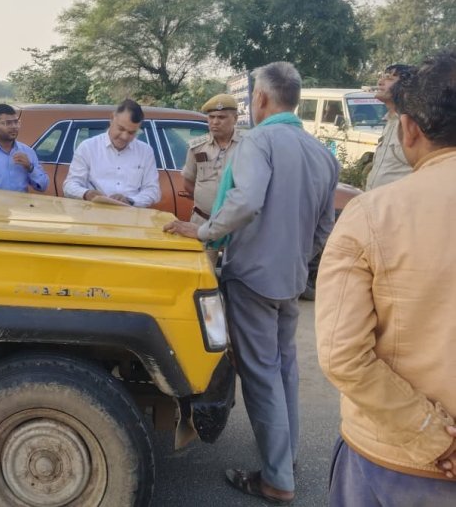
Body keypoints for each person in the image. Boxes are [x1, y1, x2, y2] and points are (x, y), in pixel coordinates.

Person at [165, 62, 338, 505]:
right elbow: (324, 226)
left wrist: (204, 232)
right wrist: (297, 260)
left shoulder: (257, 142)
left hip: (253, 278)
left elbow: (245, 201)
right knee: (284, 372)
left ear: (260, 99)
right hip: (290, 279)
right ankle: (286, 458)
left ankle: (278, 479)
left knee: (261, 376)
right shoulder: (320, 152)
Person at [316, 50, 456, 506]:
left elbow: (342, 356)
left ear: (409, 128)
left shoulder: (372, 214)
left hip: (394, 465)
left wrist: (435, 438)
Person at [63, 99, 160, 207]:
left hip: (130, 216)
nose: (124, 137)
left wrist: (130, 200)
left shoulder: (145, 152)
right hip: (92, 214)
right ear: (112, 118)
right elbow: (69, 185)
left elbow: (153, 191)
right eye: (121, 129)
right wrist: (86, 193)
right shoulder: (88, 147)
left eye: (131, 133)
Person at [182, 93, 242, 267]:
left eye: (222, 117)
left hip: (236, 223)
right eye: (211, 117)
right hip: (203, 220)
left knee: (237, 271)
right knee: (202, 269)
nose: (215, 122)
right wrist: (207, 200)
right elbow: (188, 181)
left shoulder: (248, 145)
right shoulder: (197, 147)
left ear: (235, 118)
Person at [364, 63, 416, 190]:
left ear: (406, 87)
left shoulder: (414, 125)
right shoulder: (390, 121)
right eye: (382, 77)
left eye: (389, 78)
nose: (380, 82)